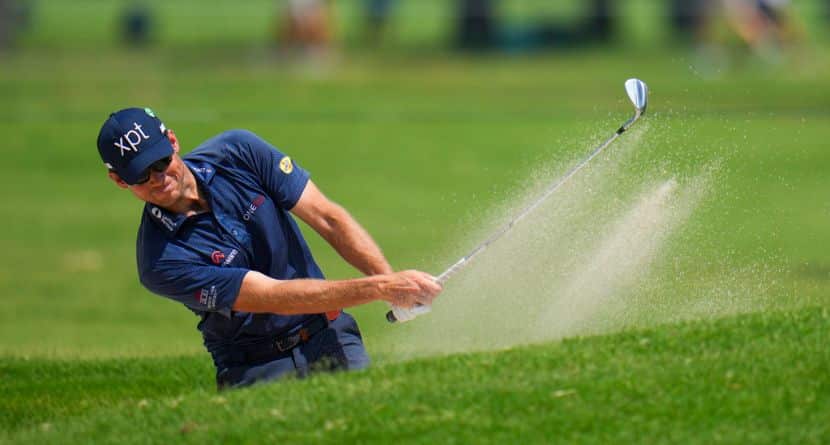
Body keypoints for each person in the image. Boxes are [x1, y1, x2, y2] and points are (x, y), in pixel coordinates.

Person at [96, 107, 441, 389]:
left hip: (330, 334)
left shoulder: (238, 152)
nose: (158, 178)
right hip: (255, 368)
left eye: (161, 161)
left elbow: (327, 218)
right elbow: (276, 296)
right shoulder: (160, 262)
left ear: (173, 141)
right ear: (119, 180)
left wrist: (391, 284)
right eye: (141, 174)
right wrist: (381, 288)